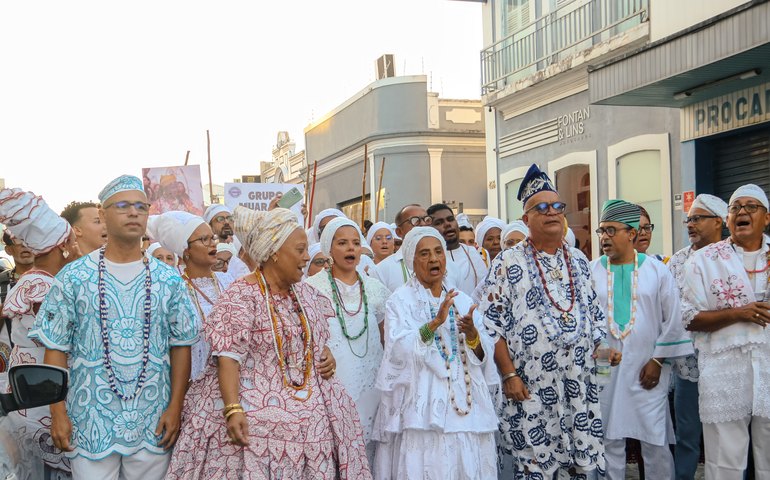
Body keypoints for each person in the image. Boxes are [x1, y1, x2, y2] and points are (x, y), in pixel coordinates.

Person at [166, 207, 371, 479]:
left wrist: (324, 354)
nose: (307, 257)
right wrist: (233, 409)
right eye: (299, 250)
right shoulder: (242, 295)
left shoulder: (306, 294)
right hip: (253, 424)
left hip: (311, 421)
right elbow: (228, 358)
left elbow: (312, 341)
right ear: (274, 252)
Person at [29, 175, 199, 480]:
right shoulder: (73, 277)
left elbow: (181, 346)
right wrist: (58, 413)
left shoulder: (169, 279)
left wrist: (175, 407)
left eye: (141, 206)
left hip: (153, 419)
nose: (134, 212)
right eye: (123, 206)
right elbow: (55, 348)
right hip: (89, 418)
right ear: (103, 214)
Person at [479, 164, 614, 478]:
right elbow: (491, 326)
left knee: (581, 468)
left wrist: (604, 363)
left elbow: (596, 321)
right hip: (531, 390)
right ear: (526, 219)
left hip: (579, 389)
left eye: (557, 206)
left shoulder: (579, 260)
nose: (551, 212)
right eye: (541, 207)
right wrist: (509, 375)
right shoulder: (507, 262)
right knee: (536, 468)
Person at [372, 227, 499, 479]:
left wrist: (472, 335)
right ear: (412, 260)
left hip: (466, 404)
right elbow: (397, 350)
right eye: (424, 254)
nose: (433, 259)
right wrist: (434, 324)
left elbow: (483, 353)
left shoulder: (462, 300)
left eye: (438, 252)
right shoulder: (400, 301)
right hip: (422, 406)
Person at [591, 199, 693, 480]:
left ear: (631, 233)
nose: (604, 237)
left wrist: (658, 361)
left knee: (654, 439)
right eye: (601, 231)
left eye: (611, 230)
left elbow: (673, 320)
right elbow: (584, 321)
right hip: (604, 369)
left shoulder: (657, 270)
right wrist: (598, 350)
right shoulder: (591, 271)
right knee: (608, 439)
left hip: (648, 368)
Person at [682, 184, 770, 479]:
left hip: (768, 368)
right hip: (723, 374)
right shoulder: (703, 260)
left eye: (751, 206)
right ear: (727, 219)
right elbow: (689, 318)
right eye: (735, 207)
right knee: (724, 462)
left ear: (766, 218)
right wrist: (738, 313)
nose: (742, 212)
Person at [0, 188, 81, 480]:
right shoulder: (44, 288)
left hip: (36, 391)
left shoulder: (35, 280)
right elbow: (57, 344)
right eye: (73, 240)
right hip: (45, 398)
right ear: (64, 247)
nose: (78, 247)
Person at [306, 217, 390, 461]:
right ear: (328, 248)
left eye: (355, 242)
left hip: (371, 379)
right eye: (342, 243)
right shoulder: (312, 288)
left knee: (368, 448)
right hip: (332, 379)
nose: (350, 248)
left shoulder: (375, 288)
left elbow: (386, 338)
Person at [667, 194, 727, 480]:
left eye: (698, 218)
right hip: (688, 365)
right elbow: (671, 312)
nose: (690, 224)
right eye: (688, 219)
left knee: (727, 436)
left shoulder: (733, 258)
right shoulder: (677, 262)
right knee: (687, 435)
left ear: (719, 222)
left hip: (727, 362)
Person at [148, 211, 232, 382]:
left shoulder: (228, 280)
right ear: (185, 250)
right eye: (204, 239)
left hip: (231, 378)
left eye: (212, 238)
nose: (212, 244)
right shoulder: (174, 288)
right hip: (192, 381)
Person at [370, 204, 461, 293]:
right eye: (415, 220)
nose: (423, 224)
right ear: (399, 232)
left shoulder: (451, 267)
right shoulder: (382, 270)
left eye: (426, 219)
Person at [428, 203, 489, 296]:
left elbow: (486, 290)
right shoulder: (429, 259)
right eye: (439, 222)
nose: (447, 224)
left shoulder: (473, 253)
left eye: (450, 219)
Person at [203, 204, 250, 279]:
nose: (227, 222)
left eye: (230, 218)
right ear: (210, 226)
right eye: (220, 219)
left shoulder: (242, 245)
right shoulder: (203, 249)